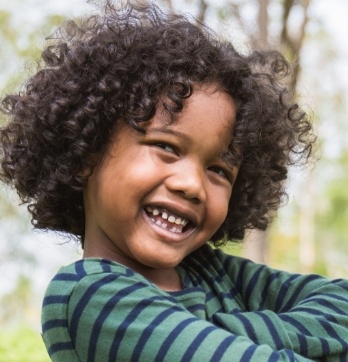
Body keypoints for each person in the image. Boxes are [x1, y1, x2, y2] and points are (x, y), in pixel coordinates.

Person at [1, 1, 348, 361]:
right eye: (166, 147)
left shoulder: (209, 270)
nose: (192, 185)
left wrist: (225, 329)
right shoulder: (89, 295)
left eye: (219, 171)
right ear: (87, 153)